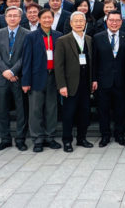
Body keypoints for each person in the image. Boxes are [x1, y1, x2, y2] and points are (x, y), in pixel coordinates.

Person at [21, 9, 63, 152]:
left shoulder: (58, 36)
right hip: (36, 78)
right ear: (39, 20)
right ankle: (37, 139)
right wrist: (25, 81)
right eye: (44, 18)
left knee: (51, 109)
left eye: (49, 18)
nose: (47, 20)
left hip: (53, 77)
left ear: (53, 19)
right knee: (35, 110)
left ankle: (50, 137)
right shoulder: (31, 37)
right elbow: (26, 61)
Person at [0, 6, 29, 152]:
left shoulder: (27, 34)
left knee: (21, 110)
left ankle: (20, 139)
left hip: (19, 77)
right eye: (10, 16)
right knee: (2, 110)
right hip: (2, 77)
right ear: (5, 18)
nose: (12, 18)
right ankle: (5, 139)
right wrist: (6, 71)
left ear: (20, 18)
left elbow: (25, 56)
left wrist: (13, 71)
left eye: (15, 16)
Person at [55, 12, 95, 152]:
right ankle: (67, 141)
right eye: (76, 21)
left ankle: (81, 138)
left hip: (85, 83)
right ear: (71, 23)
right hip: (70, 84)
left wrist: (93, 80)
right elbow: (58, 65)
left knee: (84, 113)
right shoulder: (62, 40)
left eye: (81, 21)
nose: (79, 23)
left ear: (85, 23)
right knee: (68, 114)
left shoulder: (89, 39)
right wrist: (62, 85)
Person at [92, 11, 125, 147]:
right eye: (111, 20)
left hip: (121, 81)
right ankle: (105, 136)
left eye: (117, 20)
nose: (114, 23)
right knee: (103, 110)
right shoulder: (97, 38)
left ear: (121, 22)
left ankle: (120, 135)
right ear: (106, 21)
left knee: (121, 110)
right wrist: (94, 79)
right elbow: (94, 60)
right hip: (103, 81)